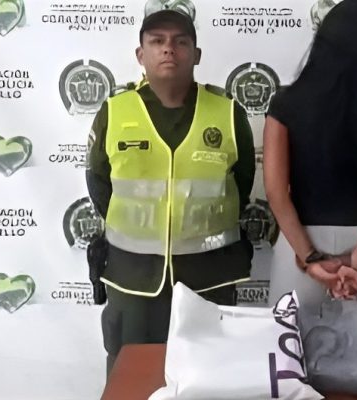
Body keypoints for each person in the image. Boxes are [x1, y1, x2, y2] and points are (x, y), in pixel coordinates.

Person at [85, 9, 255, 373]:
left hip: (210, 279)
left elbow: (242, 183)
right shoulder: (114, 111)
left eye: (180, 42)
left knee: (209, 376)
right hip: (132, 279)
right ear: (140, 54)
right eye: (157, 41)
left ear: (196, 54)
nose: (168, 49)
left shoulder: (227, 113)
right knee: (133, 376)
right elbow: (99, 183)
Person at [264, 0, 357, 313]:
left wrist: (310, 259)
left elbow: (276, 193)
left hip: (299, 241)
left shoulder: (285, 104)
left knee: (291, 342)